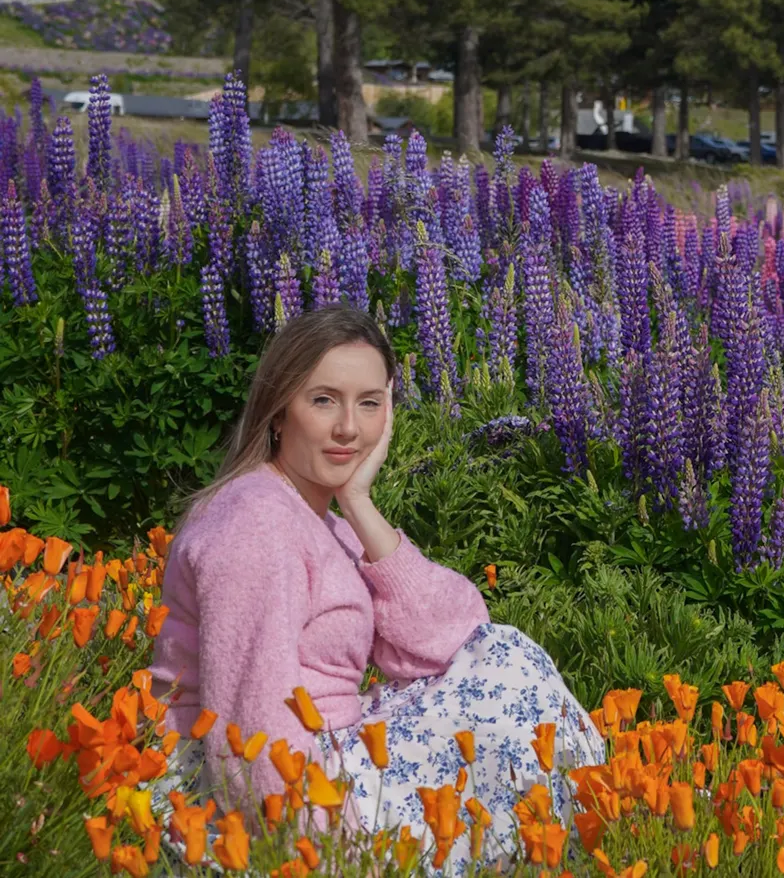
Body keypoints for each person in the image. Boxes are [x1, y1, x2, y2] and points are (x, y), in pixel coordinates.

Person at [150, 304, 603, 873]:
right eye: (323, 400)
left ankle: (601, 813)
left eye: (369, 403)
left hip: (319, 756)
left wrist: (360, 505)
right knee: (508, 679)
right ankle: (608, 816)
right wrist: (333, 857)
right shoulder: (255, 520)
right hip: (235, 794)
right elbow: (249, 720)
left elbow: (453, 636)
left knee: (506, 662)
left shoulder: (322, 521)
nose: (349, 428)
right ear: (277, 411)